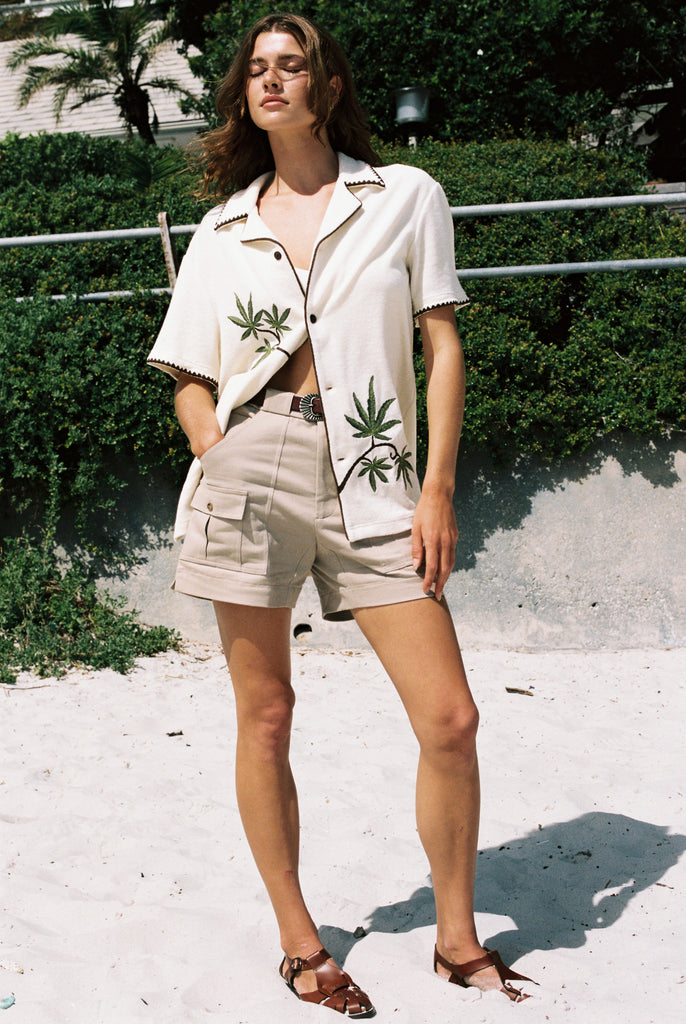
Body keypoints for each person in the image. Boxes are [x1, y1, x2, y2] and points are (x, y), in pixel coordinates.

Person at [147, 11, 534, 1017]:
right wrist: (216, 450)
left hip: (374, 471)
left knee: (449, 717)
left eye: (294, 65)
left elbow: (439, 342)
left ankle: (455, 938)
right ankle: (300, 942)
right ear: (244, 96)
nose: (273, 79)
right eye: (258, 69)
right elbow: (187, 374)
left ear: (325, 86)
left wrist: (437, 487)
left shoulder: (401, 196)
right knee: (265, 713)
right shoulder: (225, 227)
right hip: (251, 463)